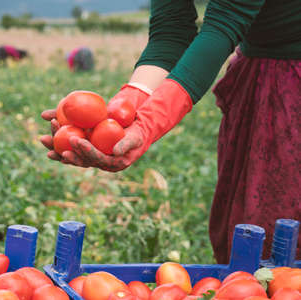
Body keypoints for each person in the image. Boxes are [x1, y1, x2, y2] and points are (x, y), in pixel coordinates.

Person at [40, 0, 300, 264]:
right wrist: (126, 107)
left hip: (292, 81)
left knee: (280, 235)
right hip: (263, 76)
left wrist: (147, 124)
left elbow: (224, 24)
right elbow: (171, 30)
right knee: (250, 230)